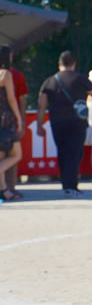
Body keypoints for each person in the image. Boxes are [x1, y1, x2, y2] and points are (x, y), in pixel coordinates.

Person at [37, 51, 92, 198]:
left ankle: (66, 184)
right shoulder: (81, 79)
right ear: (74, 64)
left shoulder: (49, 81)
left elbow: (41, 105)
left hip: (57, 122)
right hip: (77, 122)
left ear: (59, 64)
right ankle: (72, 186)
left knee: (62, 152)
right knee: (74, 152)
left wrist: (39, 125)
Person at [0, 45, 28, 200]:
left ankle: (4, 190)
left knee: (1, 156)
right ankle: (6, 189)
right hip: (5, 118)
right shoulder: (6, 74)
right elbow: (12, 99)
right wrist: (19, 119)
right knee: (16, 154)